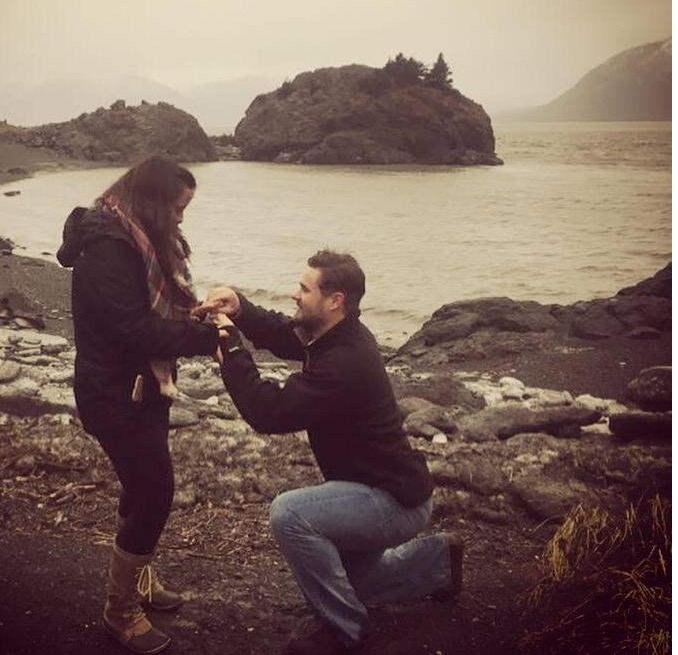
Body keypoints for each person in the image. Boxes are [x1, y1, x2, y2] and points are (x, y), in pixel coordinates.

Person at [200, 251, 463, 653]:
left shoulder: (344, 362)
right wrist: (241, 308)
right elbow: (287, 334)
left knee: (290, 513)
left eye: (305, 289)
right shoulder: (337, 335)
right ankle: (439, 561)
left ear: (335, 299)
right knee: (352, 584)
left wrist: (233, 353)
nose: (295, 294)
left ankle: (346, 632)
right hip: (384, 489)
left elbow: (269, 413)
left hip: (391, 501)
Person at [57, 155, 220, 654]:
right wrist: (199, 337)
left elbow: (150, 312)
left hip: (143, 388)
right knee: (154, 491)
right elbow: (131, 329)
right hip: (113, 393)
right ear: (151, 203)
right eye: (176, 208)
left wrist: (193, 318)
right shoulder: (108, 247)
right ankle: (120, 611)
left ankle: (139, 583)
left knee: (140, 485)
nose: (180, 219)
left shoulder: (138, 239)